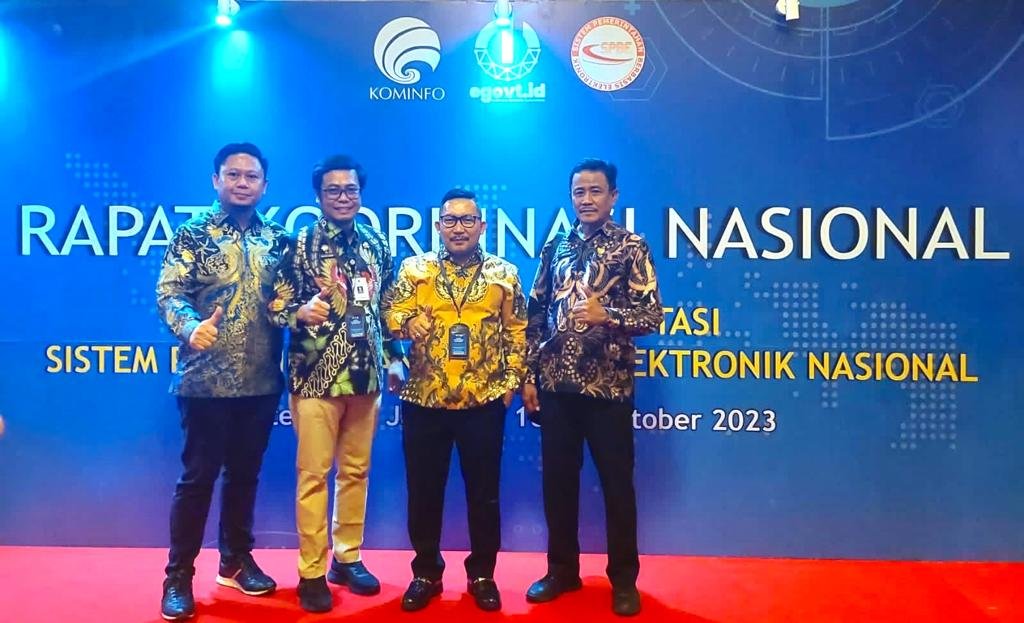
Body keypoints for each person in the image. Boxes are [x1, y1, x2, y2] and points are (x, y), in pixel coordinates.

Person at [522, 159, 662, 617]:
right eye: (579, 192)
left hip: (608, 390)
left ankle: (623, 580)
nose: (586, 199)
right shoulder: (556, 247)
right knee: (558, 485)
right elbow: (536, 312)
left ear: (613, 196)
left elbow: (652, 315)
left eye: (595, 191)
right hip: (556, 388)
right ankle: (562, 570)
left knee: (617, 487)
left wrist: (609, 316)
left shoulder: (631, 247)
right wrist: (529, 375)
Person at [156, 142, 289, 621]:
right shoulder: (193, 234)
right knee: (197, 481)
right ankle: (178, 577)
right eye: (233, 174)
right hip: (205, 382)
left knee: (245, 477)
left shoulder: (279, 239)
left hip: (261, 382)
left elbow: (288, 301)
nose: (242, 183)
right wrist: (191, 327)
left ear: (264, 186)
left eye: (251, 176)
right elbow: (169, 293)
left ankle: (234, 561)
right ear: (216, 180)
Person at [268, 154, 402, 613]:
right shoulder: (298, 243)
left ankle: (347, 557)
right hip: (315, 379)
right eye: (333, 191)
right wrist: (299, 312)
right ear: (318, 196)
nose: (343, 197)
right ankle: (311, 570)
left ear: (360, 193)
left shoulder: (377, 243)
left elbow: (387, 308)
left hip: (367, 378)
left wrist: (396, 358)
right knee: (313, 476)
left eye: (350, 190)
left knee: (356, 472)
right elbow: (273, 306)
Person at [383, 188, 527, 612]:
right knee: (423, 492)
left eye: (467, 220)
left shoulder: (504, 273)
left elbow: (517, 331)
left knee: (484, 494)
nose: (458, 228)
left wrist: (511, 382)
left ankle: (482, 574)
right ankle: (426, 572)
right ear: (438, 226)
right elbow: (389, 316)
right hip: (424, 400)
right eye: (450, 220)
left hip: (483, 402)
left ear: (482, 226)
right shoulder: (415, 269)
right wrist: (409, 321)